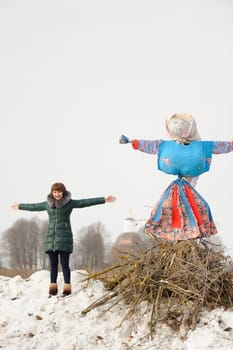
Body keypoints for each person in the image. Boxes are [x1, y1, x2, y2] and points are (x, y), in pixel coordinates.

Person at [120, 113, 233, 242]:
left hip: (186, 181)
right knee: (183, 206)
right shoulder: (196, 146)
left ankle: (183, 231)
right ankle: (183, 231)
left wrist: (131, 141)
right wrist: (131, 142)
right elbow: (220, 146)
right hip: (185, 182)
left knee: (180, 205)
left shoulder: (175, 146)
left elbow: (150, 145)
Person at [12, 182, 116, 296]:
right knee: (53, 265)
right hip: (51, 239)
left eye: (59, 192)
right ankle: (52, 287)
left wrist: (104, 199)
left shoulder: (69, 203)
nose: (57, 194)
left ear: (63, 192)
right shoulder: (47, 204)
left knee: (65, 264)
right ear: (52, 192)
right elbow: (34, 206)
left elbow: (85, 202)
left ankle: (67, 287)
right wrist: (19, 206)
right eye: (55, 192)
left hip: (65, 238)